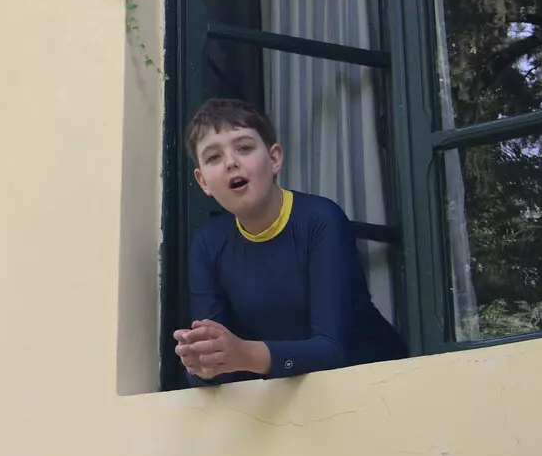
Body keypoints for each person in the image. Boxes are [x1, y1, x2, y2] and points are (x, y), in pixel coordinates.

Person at [173, 98, 406, 385]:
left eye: (244, 148)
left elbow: (332, 351)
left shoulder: (321, 220)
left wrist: (243, 353)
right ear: (203, 182)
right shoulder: (208, 245)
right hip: (288, 408)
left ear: (274, 158)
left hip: (381, 388)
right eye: (213, 158)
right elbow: (220, 369)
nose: (231, 162)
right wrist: (205, 365)